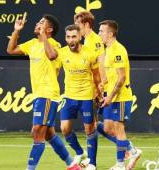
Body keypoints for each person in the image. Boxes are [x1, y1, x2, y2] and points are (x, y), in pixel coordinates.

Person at [7, 14, 81, 170]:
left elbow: (52, 55)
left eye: (42, 23)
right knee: (48, 134)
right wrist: (16, 31)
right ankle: (72, 165)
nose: (37, 23)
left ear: (49, 29)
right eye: (38, 21)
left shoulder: (55, 44)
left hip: (48, 94)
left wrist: (43, 37)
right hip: (39, 94)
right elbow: (11, 49)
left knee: (37, 132)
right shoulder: (32, 44)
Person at [98, 20, 142, 170]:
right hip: (111, 96)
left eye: (101, 31)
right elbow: (111, 76)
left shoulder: (117, 50)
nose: (99, 34)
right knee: (106, 128)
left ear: (110, 33)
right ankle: (132, 150)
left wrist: (110, 97)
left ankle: (120, 165)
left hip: (121, 96)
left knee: (119, 128)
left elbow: (121, 78)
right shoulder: (108, 49)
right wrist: (104, 87)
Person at [58, 24, 100, 170]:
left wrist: (98, 94)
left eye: (74, 36)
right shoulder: (62, 53)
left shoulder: (90, 53)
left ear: (80, 37)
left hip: (86, 97)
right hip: (69, 96)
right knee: (64, 129)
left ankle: (92, 163)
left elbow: (97, 76)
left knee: (89, 129)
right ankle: (80, 152)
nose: (71, 40)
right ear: (65, 38)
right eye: (68, 37)